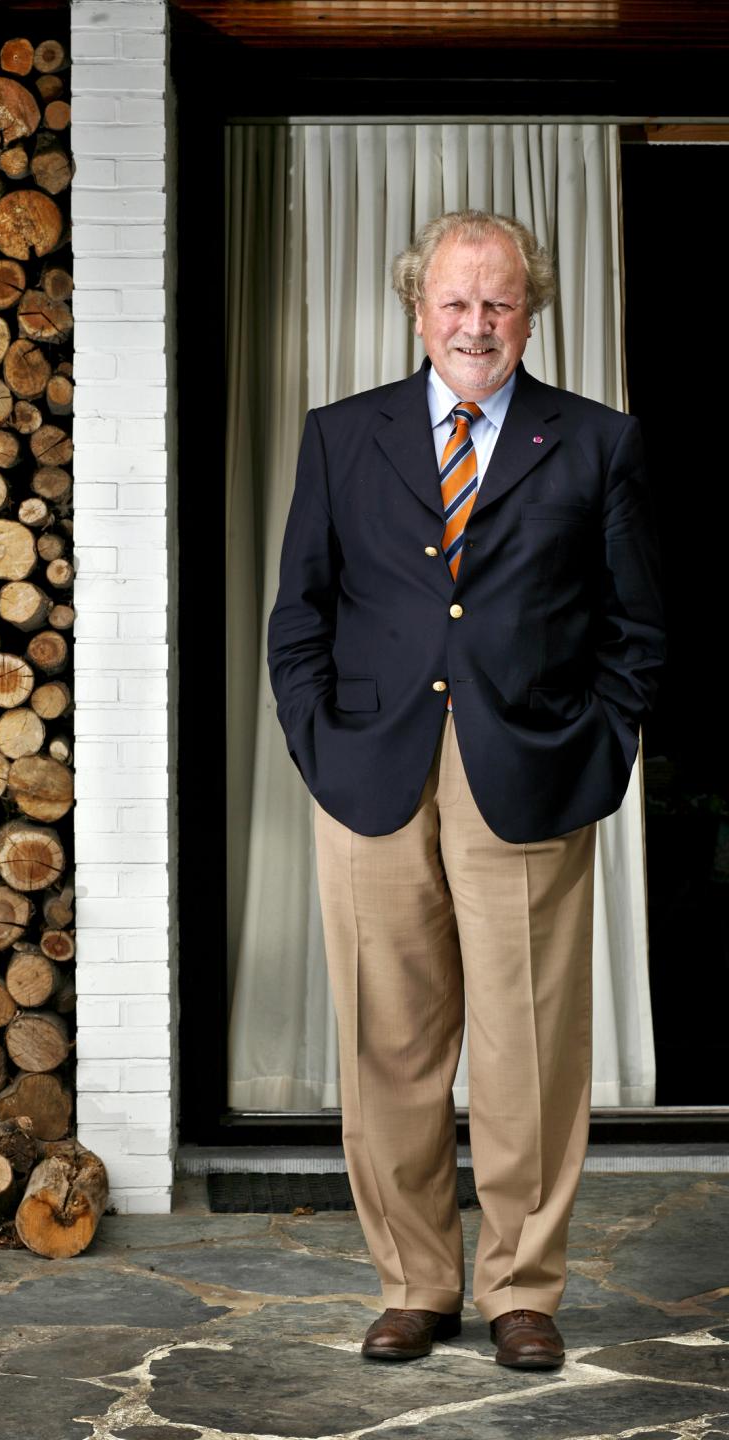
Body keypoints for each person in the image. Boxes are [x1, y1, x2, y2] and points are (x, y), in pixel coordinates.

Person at [266, 209, 665, 1370]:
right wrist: (321, 744)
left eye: (498, 302)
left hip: (531, 776)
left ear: (529, 314)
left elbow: (636, 628)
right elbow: (300, 614)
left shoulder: (596, 442)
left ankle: (521, 1290)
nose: (475, 323)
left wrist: (596, 750)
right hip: (371, 778)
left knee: (529, 1048)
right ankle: (415, 1283)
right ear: (417, 308)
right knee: (386, 1044)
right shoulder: (343, 436)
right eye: (455, 301)